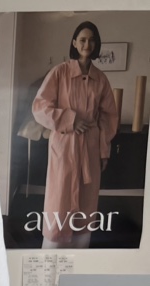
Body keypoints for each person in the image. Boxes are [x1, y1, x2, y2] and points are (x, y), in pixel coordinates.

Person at [32, 20, 119, 249]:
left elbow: (108, 117)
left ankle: (80, 256)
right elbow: (40, 107)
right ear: (74, 43)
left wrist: (103, 150)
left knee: (86, 202)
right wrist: (69, 120)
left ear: (96, 44)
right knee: (60, 197)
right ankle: (51, 253)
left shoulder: (101, 79)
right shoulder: (59, 73)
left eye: (91, 40)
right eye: (82, 40)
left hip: (90, 147)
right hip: (64, 146)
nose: (87, 44)